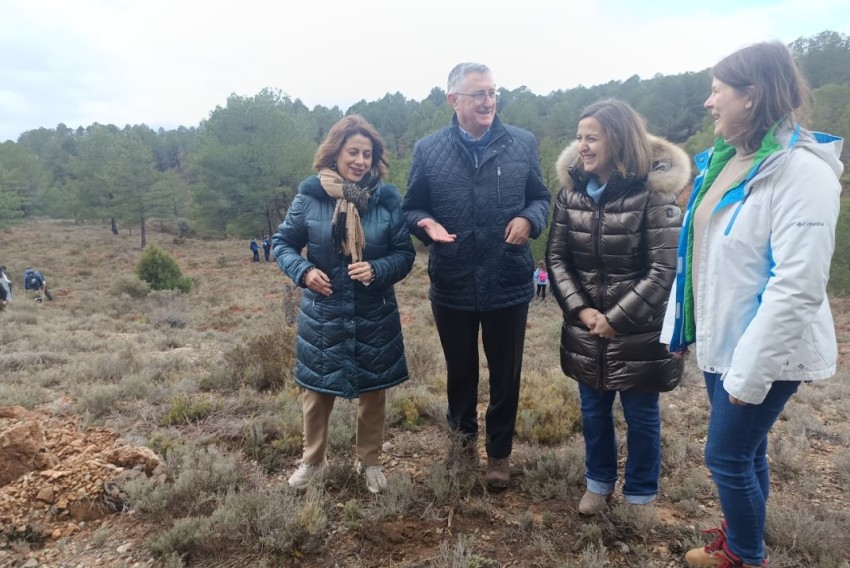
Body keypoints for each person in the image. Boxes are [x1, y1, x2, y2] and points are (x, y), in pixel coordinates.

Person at [661, 42, 843, 568]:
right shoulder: (730, 162)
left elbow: (798, 285)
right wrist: (682, 327)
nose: (708, 102)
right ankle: (743, 545)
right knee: (747, 452)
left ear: (752, 95)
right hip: (726, 339)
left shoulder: (801, 171)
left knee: (725, 456)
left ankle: (743, 557)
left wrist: (750, 373)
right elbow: (698, 254)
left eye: (718, 90)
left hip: (766, 349)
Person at [402, 62, 550, 491]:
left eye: (492, 93)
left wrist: (529, 219)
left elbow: (541, 197)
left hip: (508, 277)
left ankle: (499, 455)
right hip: (452, 280)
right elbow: (412, 206)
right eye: (478, 94)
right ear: (454, 101)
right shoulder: (428, 149)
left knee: (507, 373)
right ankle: (462, 443)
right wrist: (425, 225)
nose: (488, 102)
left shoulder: (521, 142)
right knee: (460, 370)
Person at [546, 99, 688, 515]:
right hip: (587, 328)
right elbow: (556, 259)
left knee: (642, 416)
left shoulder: (654, 196)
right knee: (593, 411)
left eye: (592, 137)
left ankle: (641, 494)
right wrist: (581, 312)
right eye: (579, 137)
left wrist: (617, 319)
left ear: (619, 140)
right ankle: (598, 482)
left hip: (640, 331)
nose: (583, 146)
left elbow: (663, 269)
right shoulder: (570, 193)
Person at [273, 114, 415, 494]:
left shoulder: (386, 202)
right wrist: (303, 272)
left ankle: (369, 462)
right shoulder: (310, 198)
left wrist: (378, 269)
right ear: (335, 153)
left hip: (374, 313)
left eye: (367, 154)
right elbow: (281, 243)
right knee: (316, 392)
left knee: (374, 392)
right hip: (324, 313)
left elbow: (405, 254)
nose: (360, 161)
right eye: (353, 152)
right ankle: (312, 460)